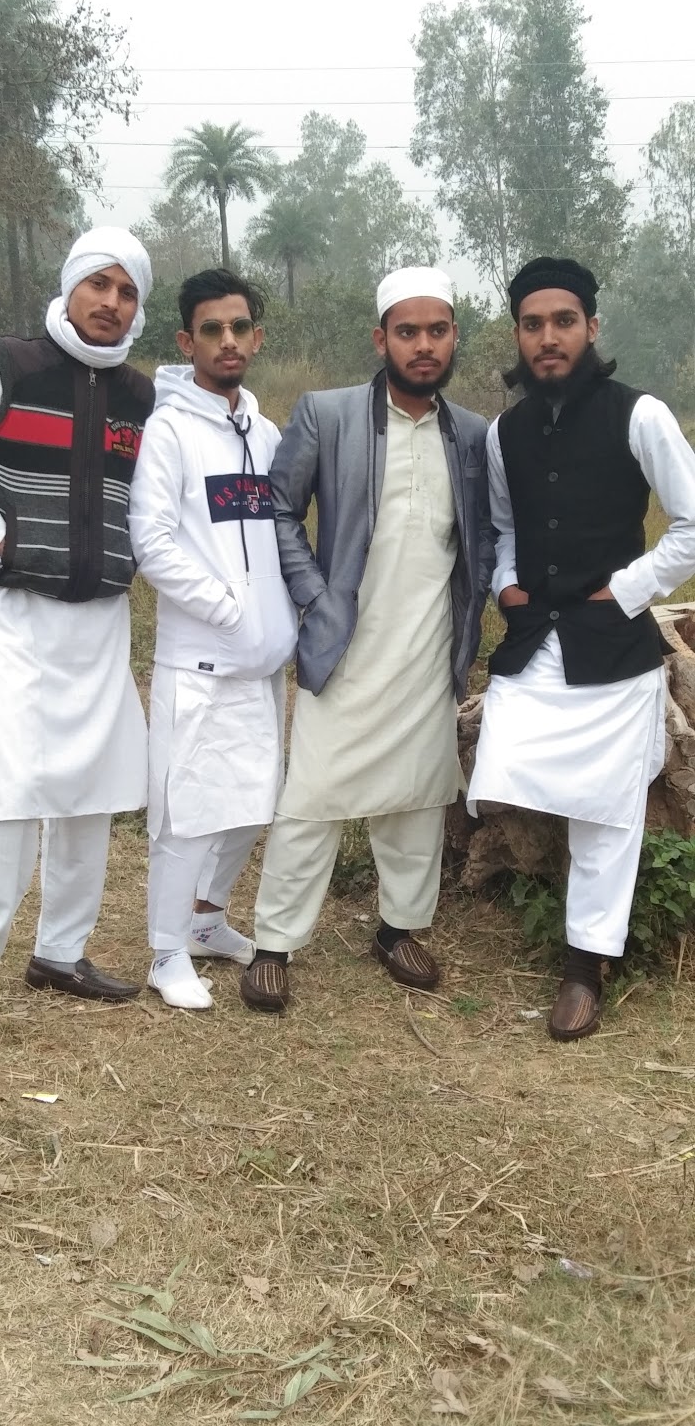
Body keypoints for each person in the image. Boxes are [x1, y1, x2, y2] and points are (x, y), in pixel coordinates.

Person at [241, 266, 495, 1012]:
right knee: (312, 796)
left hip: (428, 646)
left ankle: (398, 929)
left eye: (437, 331)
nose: (424, 346)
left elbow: (482, 538)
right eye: (408, 332)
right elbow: (278, 510)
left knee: (419, 796)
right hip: (345, 644)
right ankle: (274, 943)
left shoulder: (473, 433)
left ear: (454, 338)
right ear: (381, 339)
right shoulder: (329, 414)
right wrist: (315, 596)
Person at [467, 255, 695, 1042]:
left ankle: (584, 967)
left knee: (608, 808)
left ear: (591, 327)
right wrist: (506, 586)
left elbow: (691, 523)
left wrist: (627, 590)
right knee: (498, 769)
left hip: (612, 643)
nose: (548, 337)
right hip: (535, 638)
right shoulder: (504, 432)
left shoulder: (641, 415)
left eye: (563, 321)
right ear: (518, 335)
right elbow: (503, 528)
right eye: (532, 324)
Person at [0, 227, 155, 1025]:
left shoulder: (141, 397)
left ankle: (60, 953)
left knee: (93, 788)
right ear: (69, 286)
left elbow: (153, 500)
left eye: (127, 291)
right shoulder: (4, 363)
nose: (110, 302)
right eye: (99, 283)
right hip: (13, 611)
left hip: (99, 618)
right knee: (14, 786)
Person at [128, 268, 297, 1010]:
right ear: (186, 340)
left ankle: (205, 921)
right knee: (187, 813)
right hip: (199, 661)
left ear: (256, 338)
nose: (227, 341)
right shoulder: (169, 431)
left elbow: (278, 537)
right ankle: (166, 952)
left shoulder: (267, 433)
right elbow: (152, 542)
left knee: (253, 803)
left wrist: (275, 618)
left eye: (239, 327)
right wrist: (228, 608)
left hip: (263, 663)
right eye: (211, 329)